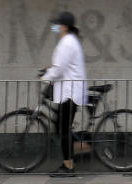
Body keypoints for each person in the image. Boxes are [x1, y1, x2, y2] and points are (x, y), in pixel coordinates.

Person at [42, 11, 88, 177]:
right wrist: (49, 69)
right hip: (69, 91)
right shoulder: (70, 41)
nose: (55, 27)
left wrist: (46, 77)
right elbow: (61, 65)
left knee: (62, 129)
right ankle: (78, 149)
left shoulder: (67, 42)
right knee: (60, 127)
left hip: (69, 93)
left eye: (58, 24)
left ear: (64, 26)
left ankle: (68, 167)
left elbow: (60, 69)